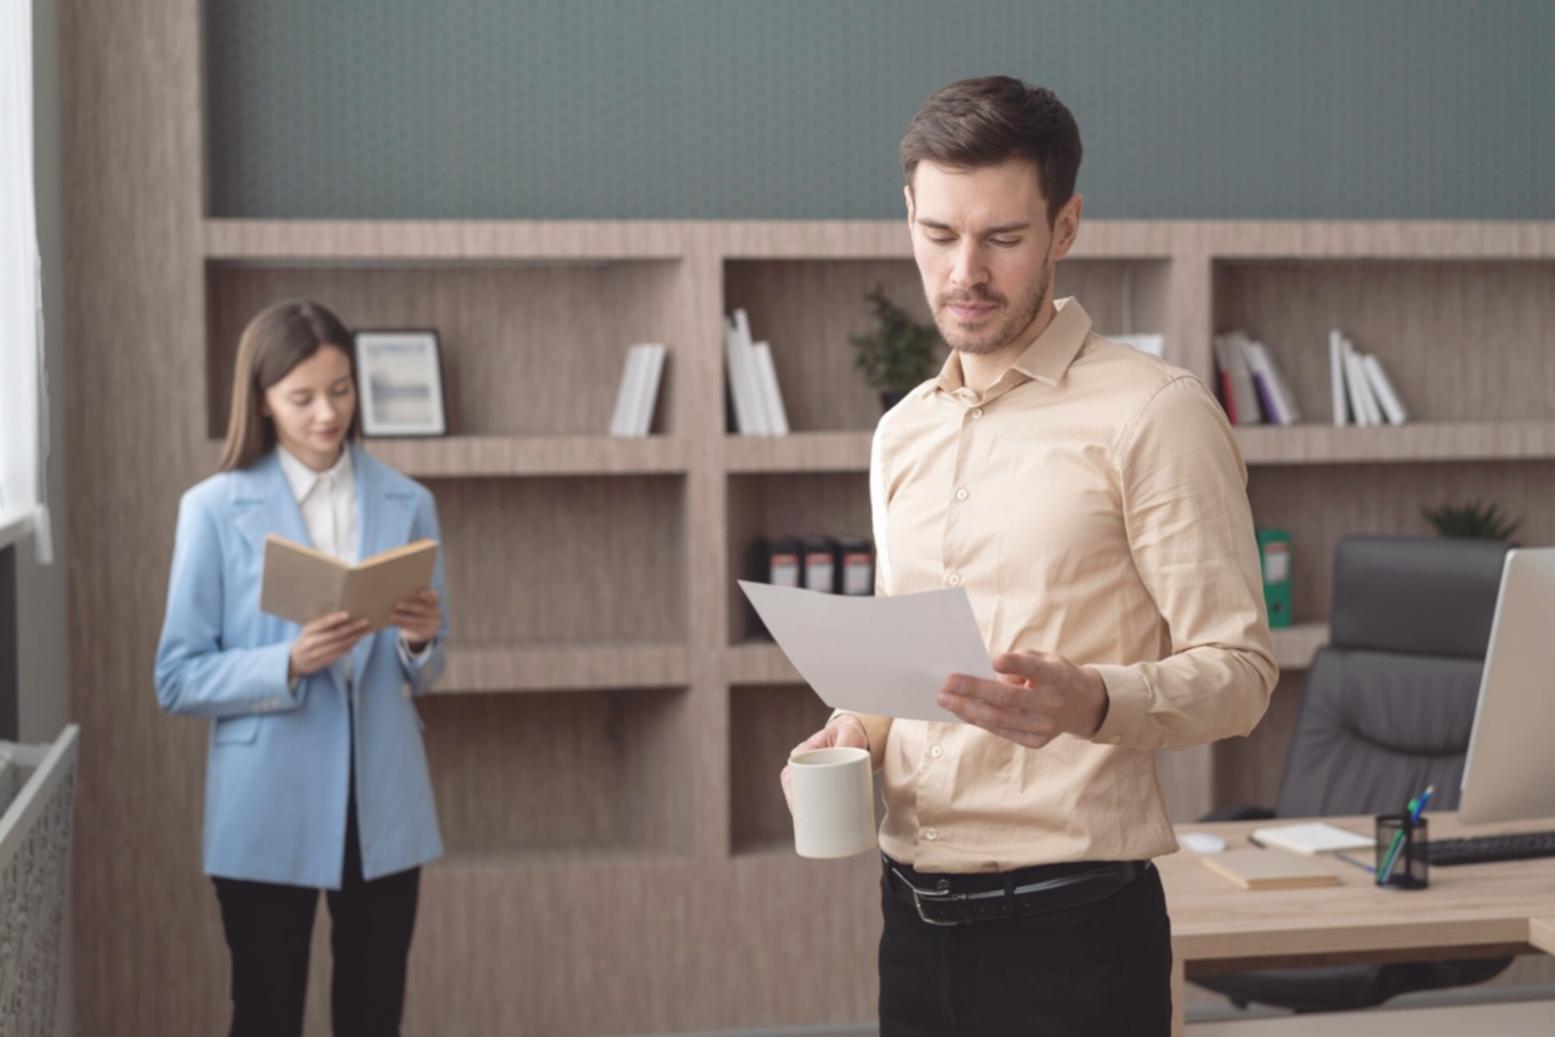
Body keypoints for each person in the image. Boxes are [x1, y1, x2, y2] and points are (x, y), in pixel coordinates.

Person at [782, 76, 1277, 1035]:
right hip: (911, 928)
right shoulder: (901, 433)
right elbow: (906, 668)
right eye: (938, 235)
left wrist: (1088, 700)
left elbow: (1243, 672)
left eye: (1002, 238)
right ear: (908, 220)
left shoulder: (1155, 413)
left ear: (1064, 227)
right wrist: (854, 728)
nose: (963, 270)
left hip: (1074, 936)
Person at [155, 299, 448, 1037]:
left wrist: (419, 640)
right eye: (303, 397)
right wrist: (285, 661)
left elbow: (428, 670)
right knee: (264, 1010)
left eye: (342, 389)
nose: (328, 412)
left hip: (379, 795)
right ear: (261, 398)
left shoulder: (408, 501)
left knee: (373, 1011)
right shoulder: (213, 509)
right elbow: (177, 675)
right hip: (266, 798)